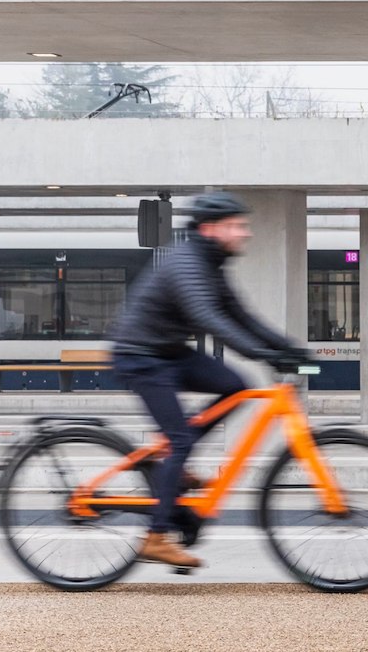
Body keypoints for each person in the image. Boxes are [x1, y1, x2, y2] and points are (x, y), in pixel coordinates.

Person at [110, 192, 312, 568]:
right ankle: (156, 537)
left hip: (168, 352)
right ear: (210, 229)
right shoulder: (186, 262)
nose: (245, 233)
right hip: (140, 356)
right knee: (182, 438)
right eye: (238, 225)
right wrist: (261, 354)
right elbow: (208, 317)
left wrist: (289, 348)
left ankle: (174, 464)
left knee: (235, 387)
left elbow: (241, 316)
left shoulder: (210, 264)